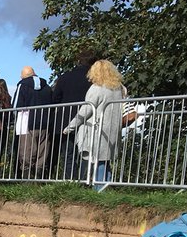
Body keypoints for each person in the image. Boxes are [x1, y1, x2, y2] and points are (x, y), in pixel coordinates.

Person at [62, 59, 125, 190]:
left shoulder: (97, 88)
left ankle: (100, 191)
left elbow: (86, 110)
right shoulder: (120, 89)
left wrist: (71, 126)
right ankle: (106, 188)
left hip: (97, 129)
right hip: (112, 129)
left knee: (97, 161)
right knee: (105, 161)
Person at [51, 48, 98, 179]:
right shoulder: (94, 80)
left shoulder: (65, 77)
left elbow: (55, 98)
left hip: (65, 120)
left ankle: (69, 179)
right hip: (88, 119)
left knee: (68, 153)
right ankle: (84, 180)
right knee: (85, 152)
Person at [10, 66, 54, 178]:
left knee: (26, 151)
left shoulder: (22, 86)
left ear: (24, 75)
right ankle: (39, 177)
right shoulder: (47, 87)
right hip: (45, 123)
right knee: (42, 153)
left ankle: (26, 178)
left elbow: (15, 106)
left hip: (27, 124)